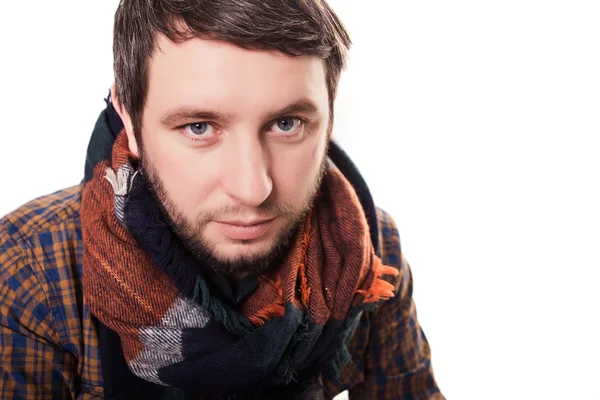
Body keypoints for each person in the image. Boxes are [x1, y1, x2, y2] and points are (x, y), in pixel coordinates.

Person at [0, 1, 444, 398]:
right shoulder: (33, 272)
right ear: (128, 120)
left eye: (287, 123)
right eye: (199, 127)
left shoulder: (364, 246)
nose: (253, 189)